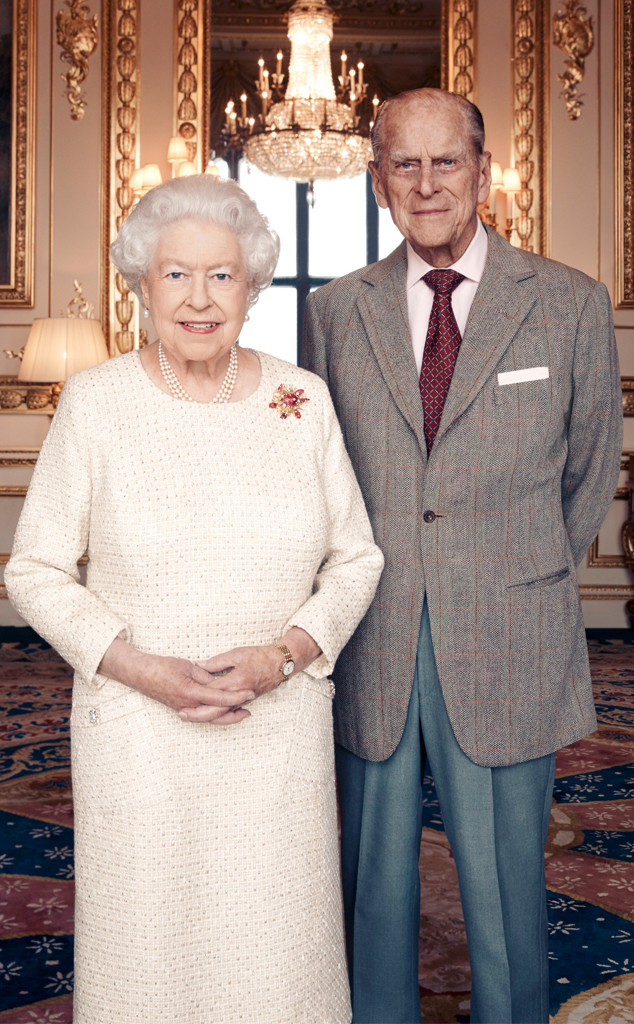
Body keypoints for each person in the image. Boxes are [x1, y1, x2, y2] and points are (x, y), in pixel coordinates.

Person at [5, 173, 384, 1024]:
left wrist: (284, 656)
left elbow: (357, 559)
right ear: (142, 286)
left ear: (252, 287)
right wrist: (141, 669)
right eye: (176, 274)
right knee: (151, 949)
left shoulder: (301, 401)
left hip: (276, 730)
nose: (200, 298)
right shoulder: (97, 402)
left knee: (276, 949)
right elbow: (34, 569)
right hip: (138, 733)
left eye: (222, 275)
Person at [301, 88, 622, 1024]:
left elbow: (589, 470)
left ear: (483, 172)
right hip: (373, 632)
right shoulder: (333, 312)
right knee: (369, 879)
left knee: (506, 887)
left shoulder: (568, 303)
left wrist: (514, 571)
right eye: (404, 163)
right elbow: (318, 474)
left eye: (447, 161)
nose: (427, 183)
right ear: (377, 180)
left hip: (508, 630)